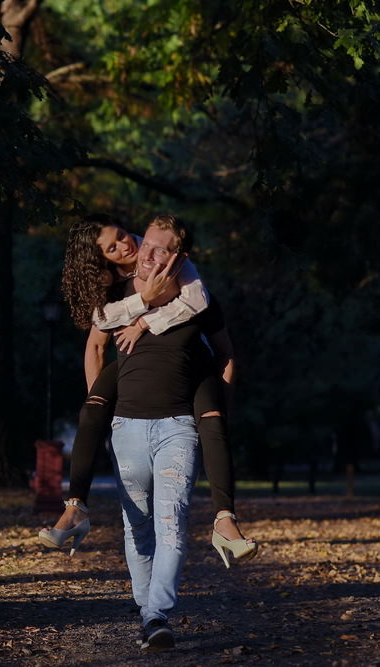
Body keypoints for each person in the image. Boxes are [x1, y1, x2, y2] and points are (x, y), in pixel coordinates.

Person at [39, 214, 257, 567]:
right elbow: (98, 336)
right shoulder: (110, 283)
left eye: (124, 236)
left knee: (214, 423)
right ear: (103, 258)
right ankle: (75, 508)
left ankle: (225, 520)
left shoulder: (163, 253)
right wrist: (110, 405)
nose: (128, 246)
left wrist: (142, 322)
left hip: (189, 361)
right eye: (113, 247)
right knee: (91, 409)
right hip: (132, 367)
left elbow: (200, 301)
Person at [105, 215, 225, 651]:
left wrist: (143, 323)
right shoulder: (116, 287)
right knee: (137, 527)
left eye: (160, 249)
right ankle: (146, 609)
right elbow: (98, 322)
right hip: (126, 427)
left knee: (172, 522)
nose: (146, 254)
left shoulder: (191, 286)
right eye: (145, 243)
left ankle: (158, 613)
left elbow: (201, 307)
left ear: (178, 257)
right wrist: (139, 306)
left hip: (178, 426)